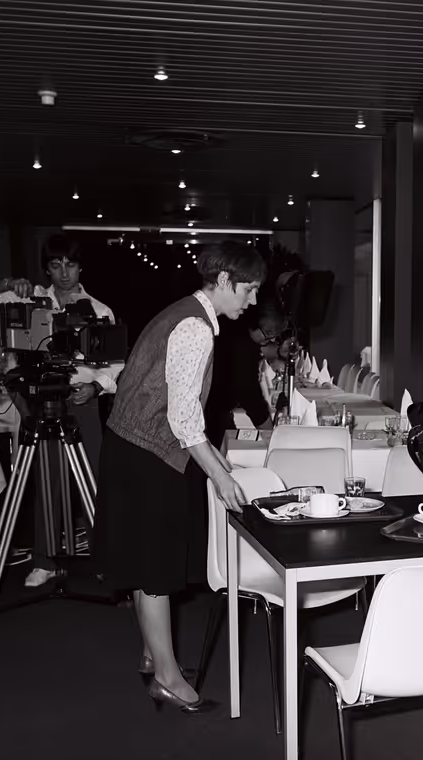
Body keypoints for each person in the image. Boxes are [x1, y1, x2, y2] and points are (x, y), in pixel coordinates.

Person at [94, 240, 265, 712]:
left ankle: (154, 654)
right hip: (147, 455)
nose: (253, 301)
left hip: (130, 448)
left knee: (143, 556)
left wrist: (212, 457)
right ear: (226, 281)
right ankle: (168, 677)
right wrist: (218, 474)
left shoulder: (182, 311)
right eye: (249, 290)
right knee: (155, 564)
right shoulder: (194, 327)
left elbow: (142, 380)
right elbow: (184, 417)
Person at [0, 234, 121, 586]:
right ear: (47, 269)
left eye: (70, 265)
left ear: (81, 266)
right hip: (38, 400)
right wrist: (10, 283)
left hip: (81, 400)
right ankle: (45, 559)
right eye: (56, 265)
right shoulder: (32, 298)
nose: (64, 273)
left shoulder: (99, 310)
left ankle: (104, 558)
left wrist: (97, 385)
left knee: (93, 481)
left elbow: (115, 363)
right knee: (45, 481)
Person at [204, 294, 286, 447]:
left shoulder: (237, 331)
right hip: (209, 412)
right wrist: (272, 435)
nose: (272, 340)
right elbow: (249, 393)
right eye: (268, 334)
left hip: (216, 408)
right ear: (253, 323)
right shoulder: (241, 344)